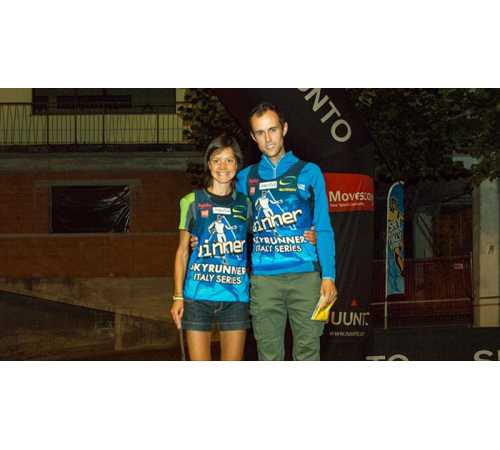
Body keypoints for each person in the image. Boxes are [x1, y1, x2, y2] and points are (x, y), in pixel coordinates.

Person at [236, 101, 338, 361]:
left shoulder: (309, 172)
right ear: (253, 137)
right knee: (268, 356)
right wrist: (200, 238)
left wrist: (329, 275)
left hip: (305, 278)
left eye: (272, 130)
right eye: (260, 133)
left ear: (284, 129)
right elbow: (236, 227)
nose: (268, 139)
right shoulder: (245, 178)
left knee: (308, 353)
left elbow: (323, 227)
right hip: (264, 281)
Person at [171, 133, 252, 361]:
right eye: (217, 160)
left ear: (237, 164)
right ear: (208, 164)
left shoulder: (246, 204)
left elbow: (266, 237)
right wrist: (177, 297)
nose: (223, 166)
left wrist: (309, 235)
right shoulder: (191, 201)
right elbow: (182, 251)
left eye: (229, 160)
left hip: (235, 298)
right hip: (197, 297)